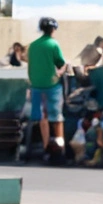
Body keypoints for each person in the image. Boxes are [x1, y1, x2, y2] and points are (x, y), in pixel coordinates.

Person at [27, 16, 68, 162]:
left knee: (42, 118)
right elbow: (61, 63)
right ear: (53, 28)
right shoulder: (53, 44)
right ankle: (60, 148)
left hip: (36, 86)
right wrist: (60, 72)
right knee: (57, 118)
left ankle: (46, 148)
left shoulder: (32, 46)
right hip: (52, 85)